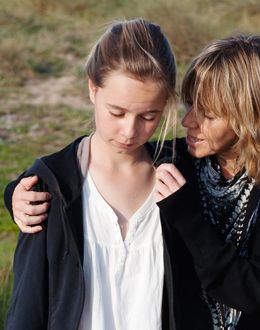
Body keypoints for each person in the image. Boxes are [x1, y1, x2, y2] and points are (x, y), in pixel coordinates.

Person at [5, 35, 260, 329]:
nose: (188, 121)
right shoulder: (177, 158)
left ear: (251, 118)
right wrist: (17, 192)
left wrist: (186, 216)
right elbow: (99, 157)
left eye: (208, 115)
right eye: (189, 105)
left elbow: (254, 293)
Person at [4, 18, 178, 330]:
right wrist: (12, 193)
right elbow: (27, 307)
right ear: (92, 88)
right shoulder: (49, 187)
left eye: (149, 116)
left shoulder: (180, 177)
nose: (130, 131)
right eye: (117, 112)